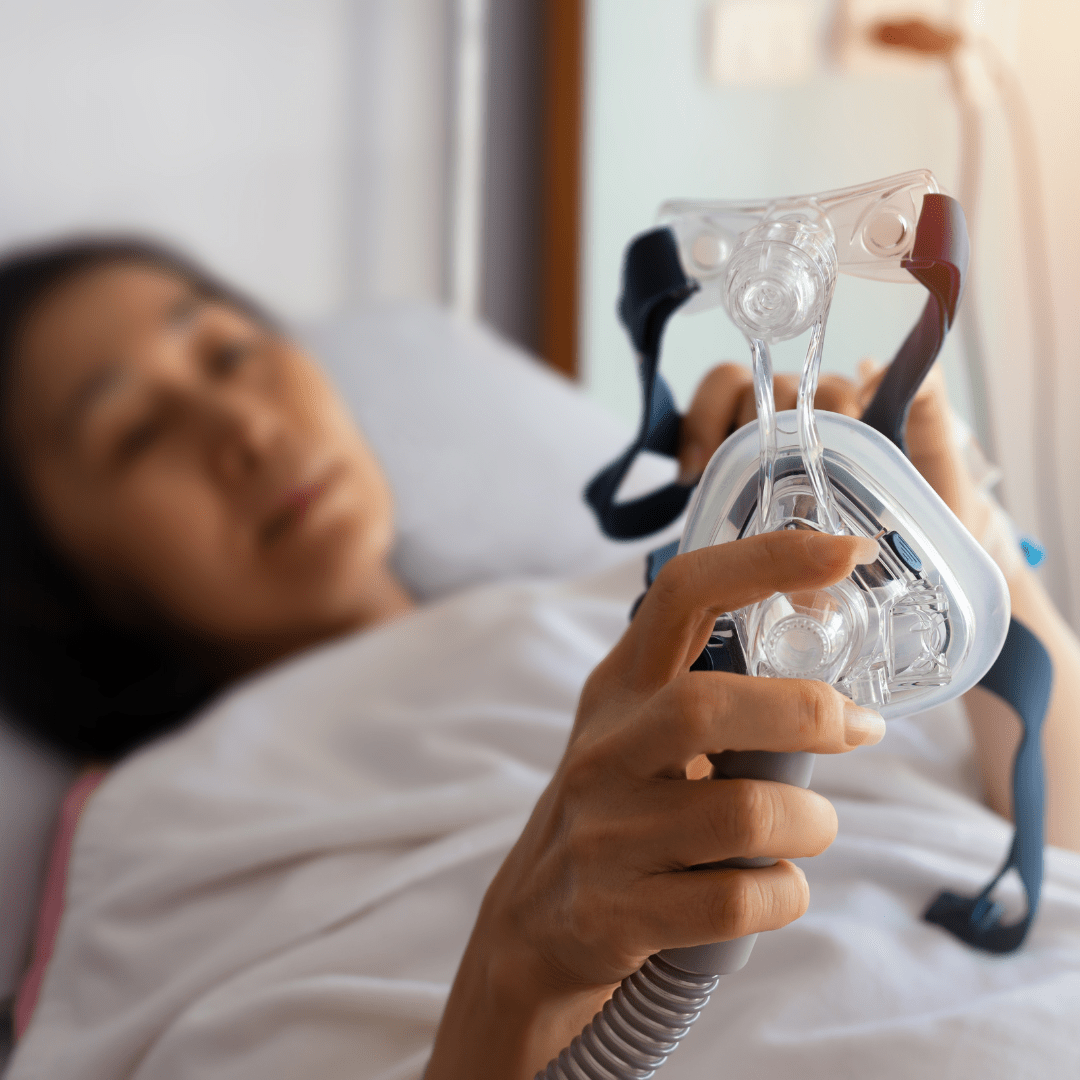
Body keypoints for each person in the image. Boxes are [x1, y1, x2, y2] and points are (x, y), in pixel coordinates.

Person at [1, 238, 1078, 1080]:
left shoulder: (641, 594)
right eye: (135, 431)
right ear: (62, 588)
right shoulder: (157, 831)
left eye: (231, 351)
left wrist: (962, 532)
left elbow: (1061, 835)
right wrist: (519, 978)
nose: (241, 424)